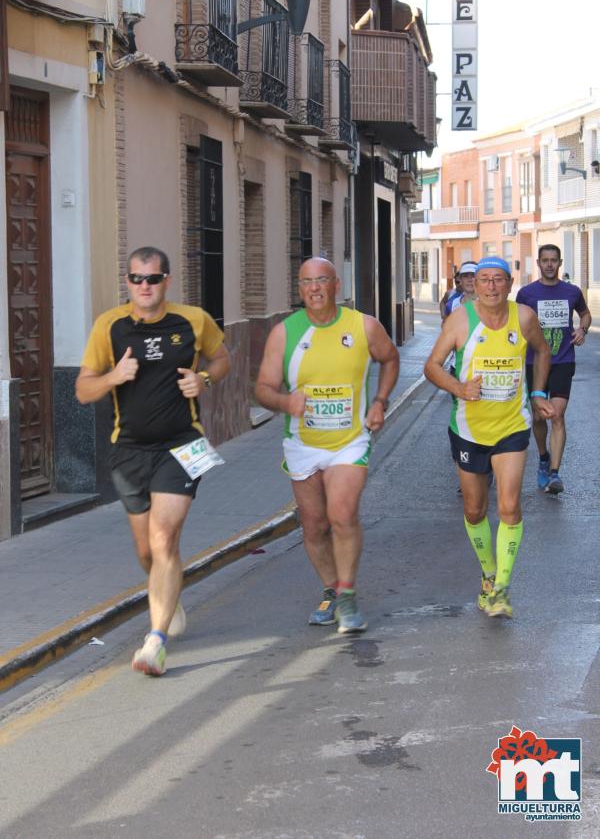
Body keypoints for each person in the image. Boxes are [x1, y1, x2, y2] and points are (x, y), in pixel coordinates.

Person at [75, 246, 230, 676]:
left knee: (164, 539)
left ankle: (155, 642)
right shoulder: (110, 327)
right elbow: (83, 390)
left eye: (153, 278)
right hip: (127, 450)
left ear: (167, 281)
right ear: (127, 282)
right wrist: (114, 378)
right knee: (147, 551)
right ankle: (169, 597)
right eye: (137, 279)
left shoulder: (193, 320)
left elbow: (222, 359)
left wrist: (203, 379)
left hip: (182, 445)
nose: (145, 286)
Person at [255, 257, 399, 633]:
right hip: (302, 444)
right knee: (315, 526)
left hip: (349, 442)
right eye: (306, 282)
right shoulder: (285, 333)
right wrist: (286, 403)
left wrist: (380, 401)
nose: (314, 288)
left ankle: (348, 595)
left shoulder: (363, 326)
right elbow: (263, 388)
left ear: (337, 285)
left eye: (322, 280)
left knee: (341, 514)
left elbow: (390, 358)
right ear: (299, 289)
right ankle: (332, 589)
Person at [424, 257, 555, 619]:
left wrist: (539, 392)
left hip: (512, 426)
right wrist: (459, 388)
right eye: (484, 280)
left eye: (498, 280)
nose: (492, 286)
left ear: (510, 283)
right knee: (474, 509)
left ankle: (501, 589)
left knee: (510, 507)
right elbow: (431, 366)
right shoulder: (460, 320)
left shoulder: (524, 317)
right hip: (468, 429)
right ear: (475, 285)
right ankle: (487, 573)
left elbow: (543, 351)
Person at [515, 244, 591, 494]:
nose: (549, 264)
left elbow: (585, 314)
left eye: (554, 260)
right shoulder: (526, 294)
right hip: (534, 362)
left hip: (563, 360)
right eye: (545, 260)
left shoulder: (572, 291)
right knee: (538, 417)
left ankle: (555, 475)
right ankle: (544, 457)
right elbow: (517, 324)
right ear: (538, 263)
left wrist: (582, 329)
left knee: (557, 415)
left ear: (560, 263)